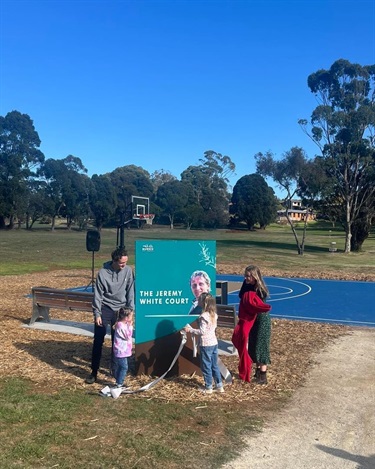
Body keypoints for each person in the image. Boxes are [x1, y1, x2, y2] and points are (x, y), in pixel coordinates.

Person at [85, 247, 135, 384]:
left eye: (125, 263)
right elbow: (98, 296)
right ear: (114, 261)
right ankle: (93, 372)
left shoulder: (128, 271)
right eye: (121, 263)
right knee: (98, 340)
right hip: (105, 308)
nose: (124, 266)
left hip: (121, 310)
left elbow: (130, 291)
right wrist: (97, 314)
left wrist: (130, 312)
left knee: (117, 342)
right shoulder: (102, 273)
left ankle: (115, 372)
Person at [232, 265, 271, 383]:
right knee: (254, 344)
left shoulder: (260, 289)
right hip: (250, 318)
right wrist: (246, 286)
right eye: (245, 275)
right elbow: (241, 295)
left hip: (260, 319)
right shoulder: (246, 285)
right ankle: (257, 372)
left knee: (261, 345)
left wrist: (250, 293)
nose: (246, 278)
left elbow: (257, 302)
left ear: (255, 276)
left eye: (249, 276)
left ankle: (263, 375)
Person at [184, 292, 224, 394]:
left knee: (206, 366)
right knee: (214, 365)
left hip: (206, 344)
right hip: (214, 343)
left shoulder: (203, 316)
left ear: (203, 303)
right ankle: (219, 385)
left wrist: (191, 330)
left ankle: (208, 387)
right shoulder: (214, 315)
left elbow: (202, 331)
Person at [112, 307, 134, 388]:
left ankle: (118, 381)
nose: (132, 317)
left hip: (123, 350)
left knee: (121, 367)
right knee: (124, 367)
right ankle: (119, 384)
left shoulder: (124, 324)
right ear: (126, 317)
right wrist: (130, 326)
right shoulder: (120, 326)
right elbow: (127, 336)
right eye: (131, 316)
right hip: (120, 351)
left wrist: (128, 325)